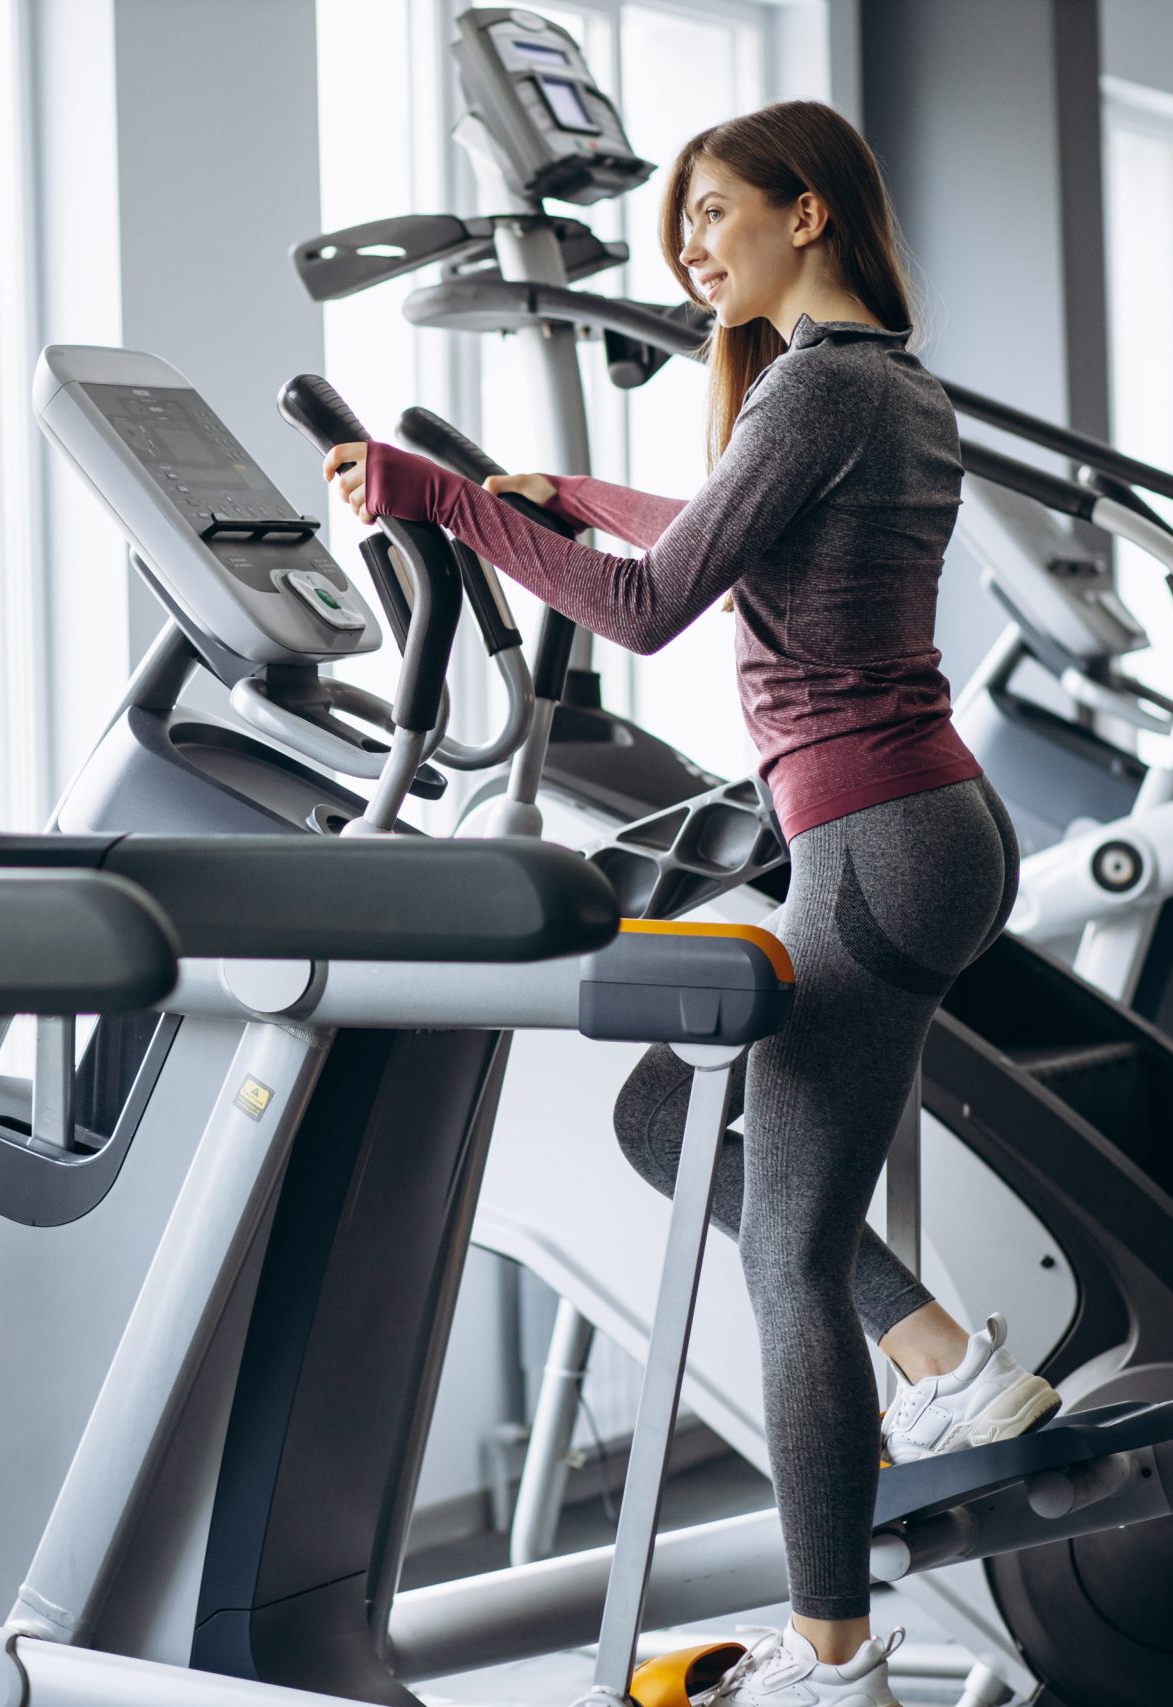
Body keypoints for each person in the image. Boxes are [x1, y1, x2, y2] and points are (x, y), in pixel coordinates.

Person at [324, 100, 1051, 1707]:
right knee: (668, 1120)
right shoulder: (890, 388)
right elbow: (724, 544)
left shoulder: (814, 383)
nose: (694, 252)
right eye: (682, 232)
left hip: (873, 842)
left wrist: (442, 506)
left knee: (784, 1251)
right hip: (921, 826)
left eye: (714, 217)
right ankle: (939, 1363)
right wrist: (567, 495)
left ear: (808, 213)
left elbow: (654, 615)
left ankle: (836, 1658)